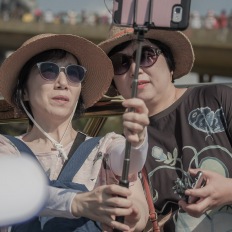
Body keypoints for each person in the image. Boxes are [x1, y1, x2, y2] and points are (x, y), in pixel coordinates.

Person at [0, 33, 150, 232]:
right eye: (49, 70)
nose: (63, 82)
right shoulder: (7, 150)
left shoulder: (105, 147)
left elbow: (129, 161)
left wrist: (138, 141)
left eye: (74, 73)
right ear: (24, 90)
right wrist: (77, 203)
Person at [99, 26, 232, 231]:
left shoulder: (219, 98)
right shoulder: (120, 149)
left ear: (170, 66)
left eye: (146, 55)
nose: (134, 69)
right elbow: (135, 219)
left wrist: (228, 191)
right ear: (115, 83)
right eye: (121, 63)